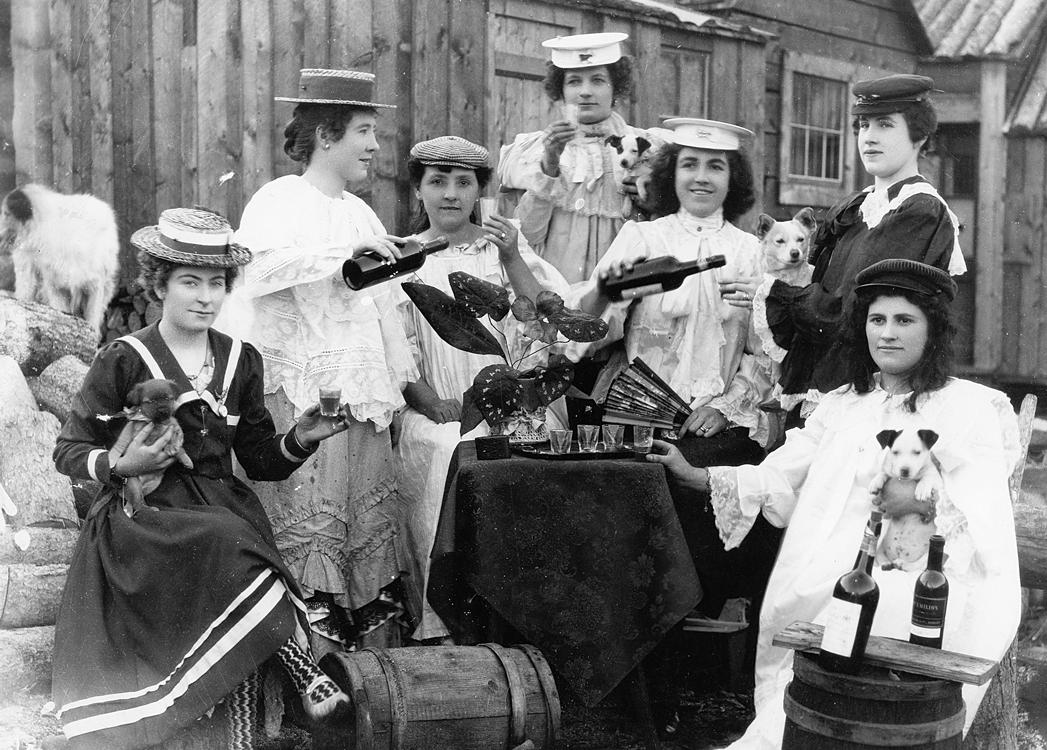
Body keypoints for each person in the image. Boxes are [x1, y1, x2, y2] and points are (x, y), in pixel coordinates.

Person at [650, 259, 1022, 748]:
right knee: (813, 627)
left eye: (904, 321)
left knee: (871, 615)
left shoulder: (968, 406)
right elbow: (782, 472)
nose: (887, 334)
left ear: (933, 331)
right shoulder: (844, 404)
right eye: (877, 320)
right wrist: (697, 474)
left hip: (918, 572)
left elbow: (981, 512)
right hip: (824, 569)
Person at [51, 208, 352, 749]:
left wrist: (303, 437)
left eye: (217, 284)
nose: (205, 297)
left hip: (218, 511)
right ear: (158, 284)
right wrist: (125, 466)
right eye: (190, 282)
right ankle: (305, 671)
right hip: (142, 519)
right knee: (228, 545)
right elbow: (69, 450)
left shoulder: (241, 360)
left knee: (229, 543)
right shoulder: (125, 358)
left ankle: (238, 740)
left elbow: (260, 460)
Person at [229, 68, 424, 655]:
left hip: (358, 396)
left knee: (358, 518)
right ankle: (304, 661)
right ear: (325, 136)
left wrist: (395, 385)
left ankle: (361, 669)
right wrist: (340, 254)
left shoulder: (361, 214)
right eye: (364, 132)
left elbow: (382, 309)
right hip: (301, 391)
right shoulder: (280, 198)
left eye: (374, 133)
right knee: (308, 519)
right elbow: (254, 270)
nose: (374, 146)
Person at [391, 135, 569, 640]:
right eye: (437, 182)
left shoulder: (502, 250)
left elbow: (548, 322)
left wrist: (512, 256)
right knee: (449, 451)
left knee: (519, 457)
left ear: (479, 191)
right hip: (440, 407)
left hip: (514, 397)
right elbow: (396, 346)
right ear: (418, 191)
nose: (450, 194)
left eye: (463, 182)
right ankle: (446, 621)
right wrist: (427, 400)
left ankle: (522, 614)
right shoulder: (406, 256)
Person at [754, 74, 968, 422]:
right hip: (823, 373)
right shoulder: (859, 205)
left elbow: (848, 309)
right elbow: (820, 286)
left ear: (919, 136)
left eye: (885, 124)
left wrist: (775, 293)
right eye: (863, 125)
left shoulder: (920, 210)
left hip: (866, 384)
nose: (868, 136)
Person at [573, 117, 772, 444]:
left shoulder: (751, 252)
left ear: (733, 178)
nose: (701, 178)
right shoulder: (642, 239)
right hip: (638, 428)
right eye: (689, 164)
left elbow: (762, 356)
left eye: (716, 167)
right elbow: (591, 332)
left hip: (717, 433)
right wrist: (602, 296)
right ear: (671, 173)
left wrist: (724, 408)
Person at [496, 32, 645, 283]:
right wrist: (550, 164)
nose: (585, 92)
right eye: (574, 82)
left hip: (625, 284)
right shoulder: (533, 150)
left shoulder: (644, 147)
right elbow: (528, 237)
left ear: (615, 89)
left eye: (598, 80)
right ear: (561, 91)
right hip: (558, 284)